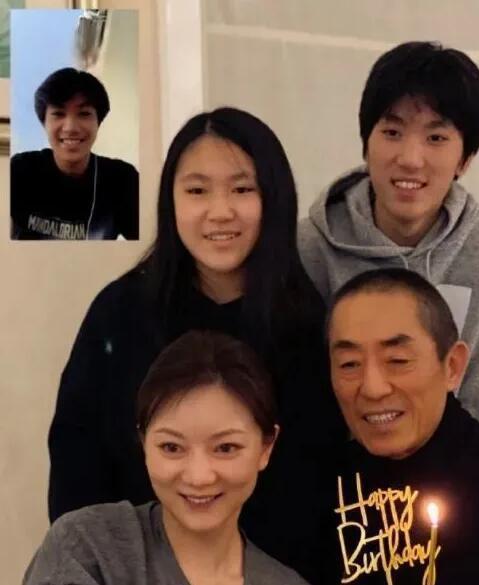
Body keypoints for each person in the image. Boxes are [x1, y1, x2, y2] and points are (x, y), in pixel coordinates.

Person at [47, 106, 344, 573]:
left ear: (275, 199)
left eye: (242, 189)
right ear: (171, 201)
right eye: (197, 190)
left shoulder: (310, 326)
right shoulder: (119, 313)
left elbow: (320, 487)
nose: (219, 212)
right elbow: (76, 463)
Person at [298, 41, 479, 428]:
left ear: (465, 160)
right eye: (392, 132)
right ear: (366, 145)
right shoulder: (310, 245)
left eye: (436, 138)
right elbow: (306, 387)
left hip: (456, 454)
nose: (410, 158)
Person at [25, 331, 310, 585]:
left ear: (266, 448)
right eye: (172, 447)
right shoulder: (87, 548)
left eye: (225, 448)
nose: (199, 477)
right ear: (144, 443)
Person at [314, 268, 479, 585]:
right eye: (349, 364)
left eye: (398, 360)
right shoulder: (315, 490)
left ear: (452, 366)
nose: (373, 388)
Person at [11, 67, 138, 240]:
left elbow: (149, 245)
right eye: (58, 114)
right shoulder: (19, 171)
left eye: (84, 114)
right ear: (44, 122)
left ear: (98, 122)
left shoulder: (122, 180)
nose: (70, 127)